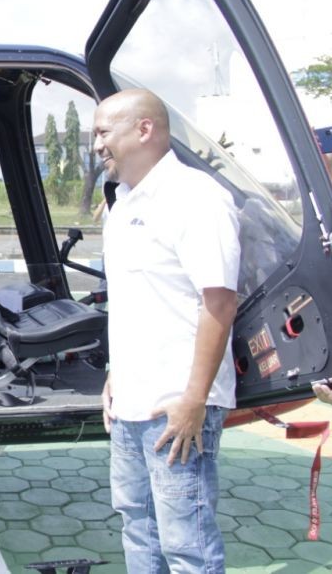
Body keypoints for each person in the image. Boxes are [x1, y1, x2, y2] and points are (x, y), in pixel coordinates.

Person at [95, 89, 240, 572]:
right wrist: (116, 375)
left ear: (144, 129)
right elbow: (136, 302)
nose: (97, 145)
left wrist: (194, 399)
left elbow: (218, 302)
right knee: (137, 525)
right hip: (131, 402)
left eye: (103, 132)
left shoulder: (196, 197)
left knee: (186, 544)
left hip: (176, 403)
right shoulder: (122, 205)